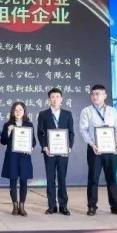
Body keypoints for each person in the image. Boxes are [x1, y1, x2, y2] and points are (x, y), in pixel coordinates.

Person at [78, 84, 117, 217]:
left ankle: (115, 206)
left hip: (111, 150)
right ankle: (92, 206)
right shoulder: (86, 111)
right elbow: (83, 130)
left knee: (112, 178)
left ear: (105, 95)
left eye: (98, 94)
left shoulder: (112, 111)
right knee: (93, 178)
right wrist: (91, 143)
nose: (95, 96)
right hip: (95, 150)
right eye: (93, 94)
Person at [36, 87, 75, 215]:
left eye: (57, 97)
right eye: (52, 97)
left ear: (61, 99)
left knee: (62, 178)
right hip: (49, 152)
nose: (55, 99)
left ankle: (63, 206)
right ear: (49, 99)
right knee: (50, 178)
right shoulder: (43, 114)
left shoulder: (67, 114)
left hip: (63, 151)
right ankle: (51, 206)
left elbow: (71, 132)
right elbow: (40, 132)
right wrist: (44, 147)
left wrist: (69, 147)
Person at [0, 101, 36, 216]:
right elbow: (3, 141)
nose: (18, 112)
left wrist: (30, 147)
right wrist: (9, 131)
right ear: (12, 112)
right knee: (13, 180)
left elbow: (33, 141)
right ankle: (15, 206)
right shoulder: (7, 125)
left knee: (24, 180)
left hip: (24, 156)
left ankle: (22, 206)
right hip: (12, 157)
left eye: (20, 110)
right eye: (16, 110)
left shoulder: (29, 125)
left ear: (24, 111)